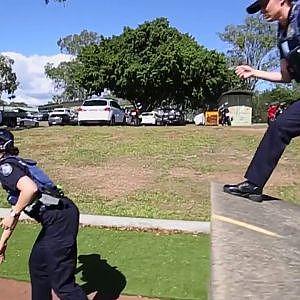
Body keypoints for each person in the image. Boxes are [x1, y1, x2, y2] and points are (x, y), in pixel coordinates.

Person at [224, 0, 300, 202]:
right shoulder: (281, 34)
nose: (262, 10)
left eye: (265, 3)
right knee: (279, 127)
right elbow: (285, 77)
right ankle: (253, 185)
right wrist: (254, 72)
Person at [0, 129, 87, 300]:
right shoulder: (12, 167)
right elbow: (15, 212)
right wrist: (2, 242)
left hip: (59, 219)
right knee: (38, 266)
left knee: (62, 283)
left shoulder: (6, 168)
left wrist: (14, 212)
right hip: (59, 217)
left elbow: (30, 189)